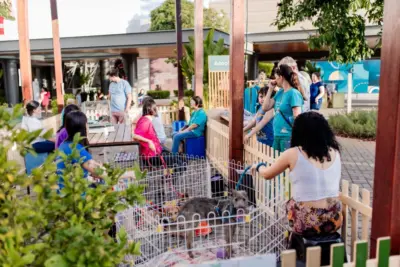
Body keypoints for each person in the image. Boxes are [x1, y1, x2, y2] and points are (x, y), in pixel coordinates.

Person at [252, 112, 342, 238]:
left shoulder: (293, 153)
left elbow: (267, 174)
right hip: (334, 219)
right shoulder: (335, 152)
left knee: (285, 204)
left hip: (306, 222)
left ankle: (290, 246)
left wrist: (258, 167)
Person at [261, 64, 305, 152]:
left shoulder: (293, 93)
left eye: (276, 77)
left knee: (286, 164)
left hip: (288, 136)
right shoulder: (280, 92)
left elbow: (297, 117)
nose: (275, 80)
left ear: (281, 77)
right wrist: (270, 89)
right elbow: (265, 108)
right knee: (275, 162)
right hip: (277, 135)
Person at [56, 111, 104, 190]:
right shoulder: (77, 149)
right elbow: (101, 173)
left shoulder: (65, 145)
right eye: (86, 124)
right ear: (82, 128)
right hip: (75, 194)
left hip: (65, 190)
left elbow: (91, 164)